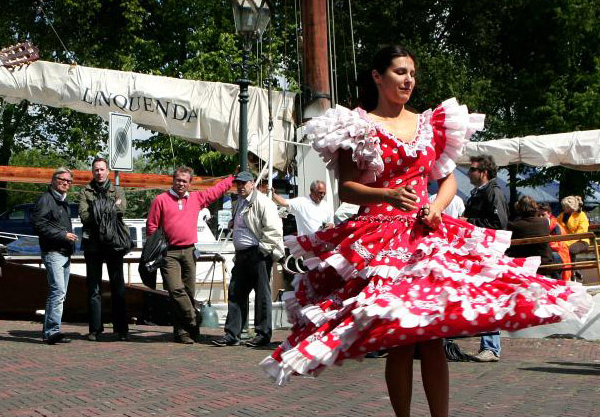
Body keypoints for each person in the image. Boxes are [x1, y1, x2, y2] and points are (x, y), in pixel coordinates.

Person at [260, 45, 592, 417]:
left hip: (427, 232)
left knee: (432, 336)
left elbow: (448, 178)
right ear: (377, 75)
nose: (409, 80)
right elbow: (347, 188)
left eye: (412, 74)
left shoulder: (429, 125)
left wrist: (435, 206)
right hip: (380, 237)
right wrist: (386, 192)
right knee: (401, 338)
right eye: (400, 72)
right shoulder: (357, 126)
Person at [146, 167, 234, 344]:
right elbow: (152, 226)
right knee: (176, 290)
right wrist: (154, 249)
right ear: (173, 180)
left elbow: (215, 191)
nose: (181, 183)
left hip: (189, 251)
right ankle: (194, 317)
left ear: (190, 183)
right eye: (178, 180)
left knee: (188, 292)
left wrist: (231, 178)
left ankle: (185, 332)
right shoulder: (160, 200)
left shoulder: (196, 198)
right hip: (168, 252)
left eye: (184, 181)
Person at [213, 171, 284, 348]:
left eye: (243, 183)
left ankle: (262, 334)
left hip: (257, 253)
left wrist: (263, 250)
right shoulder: (239, 203)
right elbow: (244, 223)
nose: (240, 186)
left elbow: (274, 229)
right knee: (236, 293)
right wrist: (233, 224)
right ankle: (232, 334)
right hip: (243, 254)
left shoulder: (263, 202)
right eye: (238, 183)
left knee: (261, 295)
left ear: (252, 183)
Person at [456, 154, 510, 363]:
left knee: (488, 298)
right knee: (483, 297)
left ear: (483, 172)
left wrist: (469, 221)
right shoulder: (480, 192)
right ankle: (488, 345)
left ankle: (491, 347)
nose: (468, 173)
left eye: (472, 169)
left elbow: (499, 223)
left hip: (489, 254)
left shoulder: (492, 192)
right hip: (480, 253)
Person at [79, 157, 130, 342]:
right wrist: (109, 207)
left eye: (102, 169)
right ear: (92, 172)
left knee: (118, 288)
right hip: (93, 245)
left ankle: (122, 329)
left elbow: (121, 210)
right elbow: (84, 216)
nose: (99, 173)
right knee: (94, 289)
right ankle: (95, 329)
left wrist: (97, 208)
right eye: (96, 170)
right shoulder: (85, 191)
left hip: (114, 244)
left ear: (108, 171)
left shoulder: (118, 190)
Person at [32, 167, 78, 345]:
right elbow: (38, 225)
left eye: (69, 181)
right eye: (62, 179)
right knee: (57, 291)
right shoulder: (46, 199)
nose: (66, 183)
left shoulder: (62, 201)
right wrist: (63, 235)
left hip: (65, 252)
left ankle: (51, 330)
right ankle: (52, 331)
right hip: (53, 252)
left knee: (60, 292)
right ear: (53, 180)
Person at [506, 196, 554, 270]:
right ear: (535, 208)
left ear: (519, 209)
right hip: (544, 261)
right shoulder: (545, 222)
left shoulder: (513, 225)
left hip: (522, 263)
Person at [557, 195, 590, 282]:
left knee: (570, 250)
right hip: (566, 241)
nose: (563, 208)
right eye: (563, 206)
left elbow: (581, 233)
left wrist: (566, 242)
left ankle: (573, 273)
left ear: (570, 207)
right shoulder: (561, 216)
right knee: (561, 251)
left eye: (565, 206)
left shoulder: (581, 215)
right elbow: (557, 227)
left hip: (581, 241)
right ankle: (573, 272)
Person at [539, 203, 572, 281]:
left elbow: (557, 246)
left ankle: (559, 282)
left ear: (549, 214)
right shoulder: (543, 225)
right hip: (548, 252)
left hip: (560, 254)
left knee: (554, 257)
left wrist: (545, 242)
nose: (540, 217)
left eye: (543, 215)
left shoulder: (556, 227)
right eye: (538, 215)